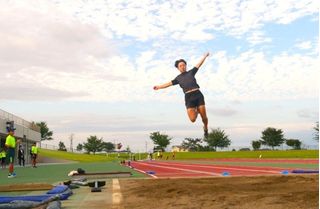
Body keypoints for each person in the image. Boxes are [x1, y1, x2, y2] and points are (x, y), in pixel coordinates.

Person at [154, 52, 210, 138]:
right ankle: (196, 110)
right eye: (180, 66)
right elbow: (168, 84)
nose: (183, 67)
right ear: (178, 68)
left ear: (186, 66)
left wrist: (205, 56)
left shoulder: (191, 72)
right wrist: (159, 87)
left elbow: (199, 64)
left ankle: (205, 128)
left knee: (204, 118)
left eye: (184, 65)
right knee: (192, 119)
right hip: (189, 97)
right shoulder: (178, 78)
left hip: (198, 95)